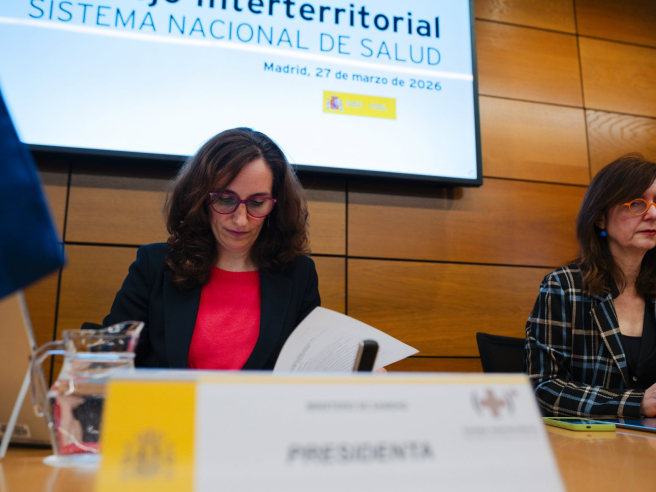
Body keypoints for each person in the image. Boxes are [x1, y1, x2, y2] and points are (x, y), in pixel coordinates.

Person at [103, 128, 320, 369]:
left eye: (257, 203)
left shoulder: (300, 275)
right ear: (200, 199)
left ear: (275, 207)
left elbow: (308, 370)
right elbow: (110, 358)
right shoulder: (154, 265)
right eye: (226, 200)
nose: (241, 220)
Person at [525, 154, 656, 418]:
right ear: (600, 218)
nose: (652, 214)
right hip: (591, 440)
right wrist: (637, 403)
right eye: (636, 203)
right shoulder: (564, 287)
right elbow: (543, 388)